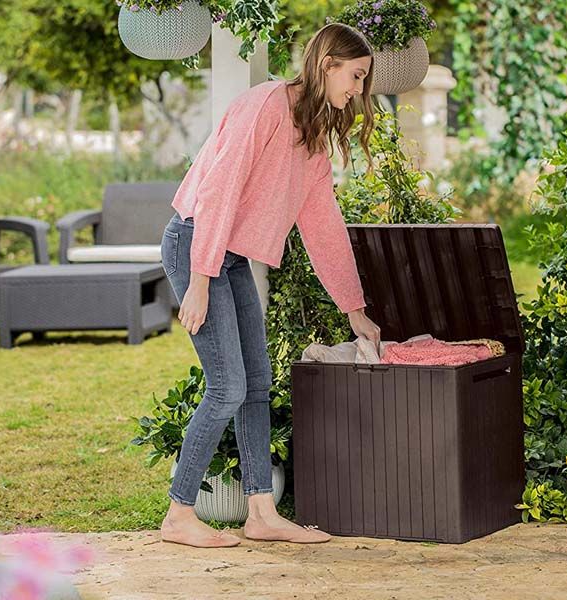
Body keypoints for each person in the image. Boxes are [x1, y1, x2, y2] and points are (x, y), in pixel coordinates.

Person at [159, 22, 381, 548]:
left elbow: (323, 226)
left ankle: (261, 512)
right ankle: (178, 514)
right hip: (197, 245)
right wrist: (198, 279)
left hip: (227, 259)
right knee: (227, 386)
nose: (357, 90)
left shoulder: (311, 138)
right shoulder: (263, 106)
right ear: (328, 64)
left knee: (256, 385)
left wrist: (353, 308)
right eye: (355, 76)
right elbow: (218, 191)